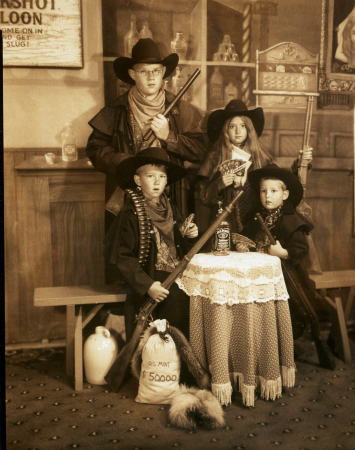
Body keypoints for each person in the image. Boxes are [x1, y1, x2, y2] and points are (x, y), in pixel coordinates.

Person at [86, 38, 205, 238]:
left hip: (171, 198)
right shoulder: (115, 110)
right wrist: (126, 163)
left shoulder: (181, 109)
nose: (151, 77)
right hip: (129, 201)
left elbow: (200, 150)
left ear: (164, 74)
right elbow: (95, 150)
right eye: (143, 71)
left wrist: (170, 137)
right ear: (132, 74)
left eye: (156, 71)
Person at [104, 147, 199, 341]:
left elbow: (181, 245)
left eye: (162, 177)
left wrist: (189, 234)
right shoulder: (131, 214)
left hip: (176, 280)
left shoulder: (171, 207)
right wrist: (148, 285)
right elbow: (123, 257)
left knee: (180, 332)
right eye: (150, 176)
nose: (157, 182)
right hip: (149, 283)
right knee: (150, 340)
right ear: (138, 180)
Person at [196, 99, 312, 240]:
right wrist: (219, 184)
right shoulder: (214, 157)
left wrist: (300, 164)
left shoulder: (260, 157)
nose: (238, 131)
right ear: (226, 130)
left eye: (243, 126)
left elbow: (280, 181)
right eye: (232, 126)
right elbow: (201, 196)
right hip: (222, 224)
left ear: (249, 129)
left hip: (254, 222)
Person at [242, 164, 323, 342]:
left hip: (287, 276)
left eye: (273, 191)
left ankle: (284, 345)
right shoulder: (256, 217)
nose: (268, 196)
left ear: (284, 195)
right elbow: (246, 238)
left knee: (290, 310)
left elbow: (300, 249)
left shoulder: (291, 220)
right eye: (263, 191)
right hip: (258, 275)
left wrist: (284, 252)